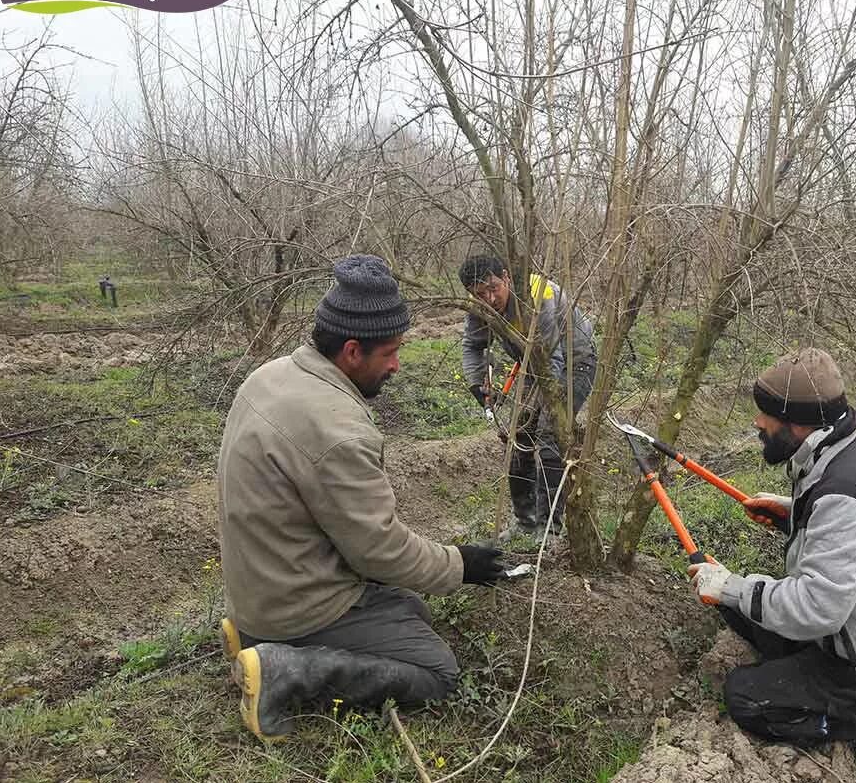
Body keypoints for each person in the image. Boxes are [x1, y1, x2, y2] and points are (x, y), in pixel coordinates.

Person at [217, 254, 507, 742]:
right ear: (352, 351)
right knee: (437, 672)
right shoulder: (339, 431)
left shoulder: (270, 375)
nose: (396, 365)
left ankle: (253, 635)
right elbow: (379, 551)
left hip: (257, 586)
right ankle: (286, 666)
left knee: (411, 608)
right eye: (390, 352)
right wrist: (461, 565)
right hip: (296, 601)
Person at [687, 348, 856, 783]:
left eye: (766, 415)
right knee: (739, 607)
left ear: (797, 423)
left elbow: (816, 608)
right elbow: (853, 530)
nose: (758, 423)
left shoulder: (845, 493)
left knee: (747, 697)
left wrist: (733, 586)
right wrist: (795, 512)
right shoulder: (847, 453)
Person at [458, 255, 596, 539]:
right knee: (519, 436)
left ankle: (550, 529)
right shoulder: (479, 307)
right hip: (536, 364)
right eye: (480, 294)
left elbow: (553, 362)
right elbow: (473, 346)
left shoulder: (538, 297)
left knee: (548, 433)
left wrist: (541, 407)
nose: (490, 298)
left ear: (507, 277)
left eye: (493, 288)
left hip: (574, 361)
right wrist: (476, 383)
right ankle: (525, 521)